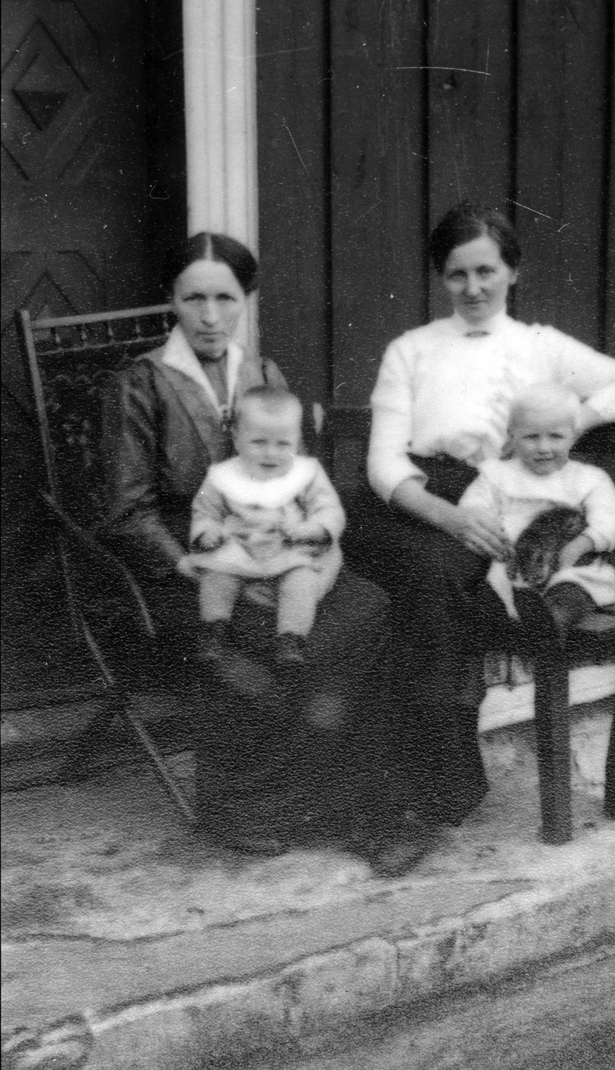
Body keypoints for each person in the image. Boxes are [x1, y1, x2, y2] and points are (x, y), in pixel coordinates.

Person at [100, 231, 431, 875]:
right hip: (191, 567)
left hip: (278, 557)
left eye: (226, 298)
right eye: (194, 298)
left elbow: (300, 481)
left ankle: (345, 803)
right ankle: (245, 805)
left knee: (368, 604)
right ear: (172, 300)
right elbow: (125, 512)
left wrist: (315, 546)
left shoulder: (264, 376)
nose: (210, 316)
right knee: (286, 632)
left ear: (247, 299)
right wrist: (189, 560)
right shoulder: (139, 384)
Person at [343, 200, 615, 828]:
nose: (473, 288)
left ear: (512, 272)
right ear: (441, 277)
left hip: (488, 502)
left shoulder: (541, 347)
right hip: (411, 503)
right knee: (422, 583)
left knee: (429, 593)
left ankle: (412, 797)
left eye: (486, 271)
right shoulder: (411, 349)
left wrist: (569, 421)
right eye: (458, 274)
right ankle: (442, 783)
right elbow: (383, 462)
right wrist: (446, 517)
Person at [184, 386, 344, 672]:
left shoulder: (305, 473)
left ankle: (291, 639)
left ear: (296, 441)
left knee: (302, 580)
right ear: (236, 438)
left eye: (283, 444)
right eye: (258, 442)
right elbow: (204, 511)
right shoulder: (223, 476)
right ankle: (214, 629)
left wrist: (315, 528)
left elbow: (328, 508)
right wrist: (206, 531)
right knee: (216, 575)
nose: (271, 454)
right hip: (240, 548)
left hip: (288, 547)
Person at [458, 382, 615, 633]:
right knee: (483, 588)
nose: (544, 448)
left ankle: (548, 624)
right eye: (531, 437)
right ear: (512, 435)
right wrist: (484, 524)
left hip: (570, 569)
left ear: (573, 434)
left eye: (556, 436)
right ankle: (506, 622)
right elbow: (473, 508)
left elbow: (609, 522)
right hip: (506, 567)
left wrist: (581, 544)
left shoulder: (588, 479)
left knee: (571, 594)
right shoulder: (496, 475)